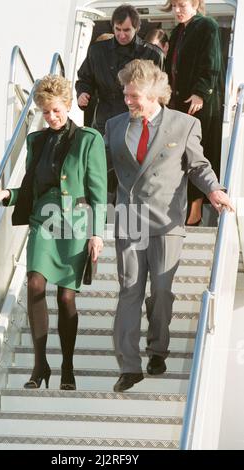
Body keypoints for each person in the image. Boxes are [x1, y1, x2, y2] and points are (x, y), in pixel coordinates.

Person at [104, 59, 233, 392]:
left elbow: (198, 166)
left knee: (161, 291)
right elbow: (99, 169)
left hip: (167, 219)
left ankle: (158, 348)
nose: (127, 101)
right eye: (125, 95)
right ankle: (129, 367)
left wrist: (215, 190)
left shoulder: (184, 124)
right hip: (129, 218)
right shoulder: (114, 126)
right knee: (129, 290)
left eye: (133, 96)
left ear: (153, 93)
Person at [0, 75, 107, 391]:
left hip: (75, 223)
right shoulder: (37, 141)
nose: (52, 116)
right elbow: (31, 188)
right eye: (46, 111)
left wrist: (97, 233)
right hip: (43, 221)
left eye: (56, 109)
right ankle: (39, 365)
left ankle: (67, 366)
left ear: (67, 104)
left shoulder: (89, 139)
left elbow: (98, 192)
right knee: (35, 283)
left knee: (66, 298)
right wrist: (5, 194)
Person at [164, 0, 224, 226]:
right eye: (174, 6)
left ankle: (196, 210)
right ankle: (185, 208)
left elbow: (212, 63)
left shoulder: (207, 25)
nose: (177, 10)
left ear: (196, 4)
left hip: (200, 104)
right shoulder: (177, 31)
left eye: (182, 5)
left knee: (198, 154)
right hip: (179, 104)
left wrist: (200, 93)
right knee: (180, 156)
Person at [76, 3, 164, 135]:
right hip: (104, 119)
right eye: (118, 29)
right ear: (113, 27)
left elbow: (160, 90)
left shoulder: (153, 54)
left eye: (126, 30)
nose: (122, 35)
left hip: (138, 120)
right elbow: (85, 78)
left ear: (137, 28)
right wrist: (83, 92)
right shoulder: (97, 51)